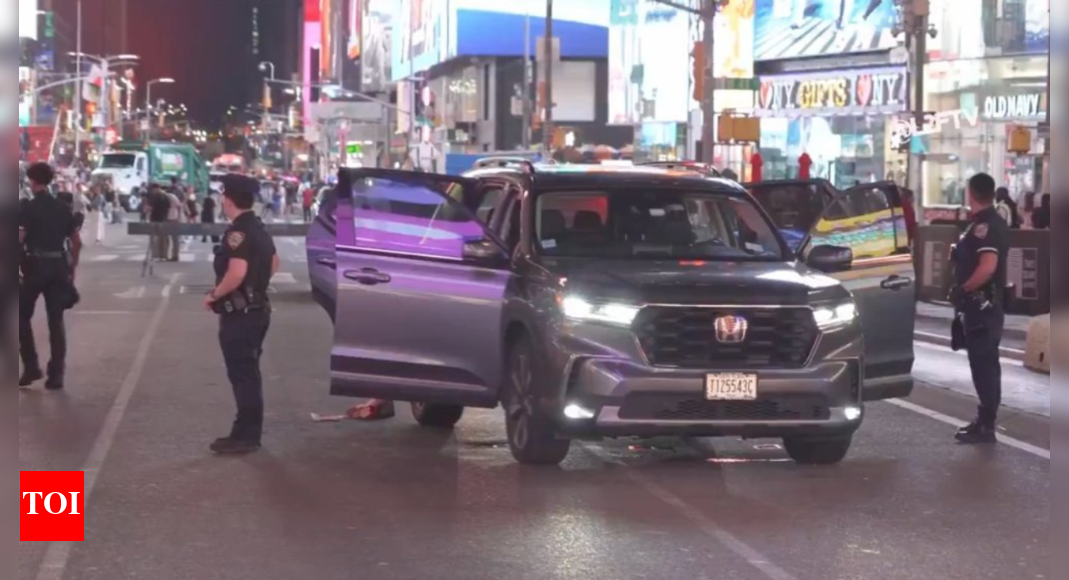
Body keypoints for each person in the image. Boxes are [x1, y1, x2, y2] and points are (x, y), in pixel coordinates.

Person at [204, 175, 279, 455]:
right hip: (258, 310)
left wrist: (215, 295)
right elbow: (274, 262)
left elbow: (236, 272)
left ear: (228, 200)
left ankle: (246, 436)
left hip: (241, 315)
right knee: (249, 373)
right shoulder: (258, 228)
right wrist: (255, 286)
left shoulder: (238, 232)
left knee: (243, 375)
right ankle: (245, 431)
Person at [949, 173, 1009, 445]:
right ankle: (984, 421)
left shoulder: (987, 226)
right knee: (982, 363)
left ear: (971, 193)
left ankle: (986, 425)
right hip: (979, 307)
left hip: (983, 307)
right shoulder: (982, 224)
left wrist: (964, 288)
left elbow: (987, 266)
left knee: (984, 365)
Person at [18, 163, 80, 390]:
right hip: (58, 268)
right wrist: (72, 268)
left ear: (32, 181)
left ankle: (31, 366)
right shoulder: (63, 207)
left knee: (20, 316)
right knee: (56, 320)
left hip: (35, 268)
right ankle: (56, 374)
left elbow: (18, 238)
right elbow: (76, 242)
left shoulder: (27, 207)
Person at [165, 186, 183, 261]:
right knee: (174, 238)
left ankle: (167, 255)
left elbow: (179, 206)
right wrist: (179, 217)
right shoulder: (173, 196)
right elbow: (179, 206)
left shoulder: (169, 196)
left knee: (169, 238)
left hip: (169, 218)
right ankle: (175, 255)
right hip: (173, 218)